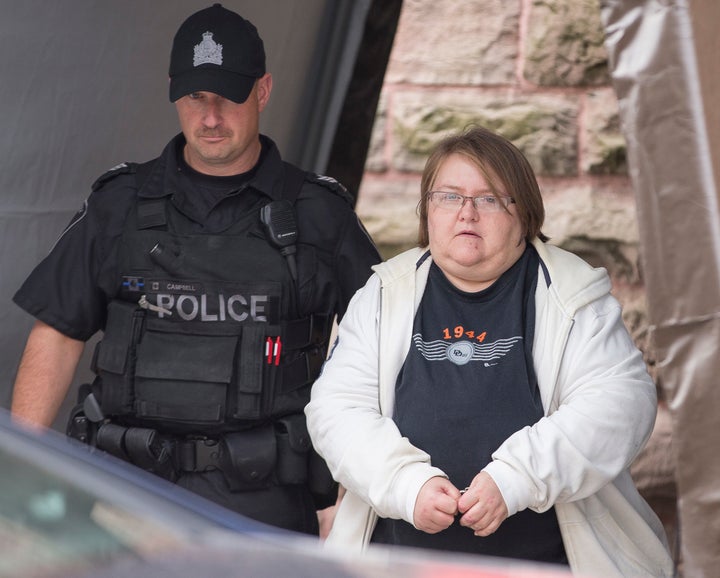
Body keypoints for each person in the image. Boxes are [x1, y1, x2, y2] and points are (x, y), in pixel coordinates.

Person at [11, 3, 380, 536]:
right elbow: (57, 333)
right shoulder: (119, 205)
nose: (210, 117)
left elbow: (384, 348)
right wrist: (21, 468)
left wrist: (354, 494)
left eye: (227, 96)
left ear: (263, 89)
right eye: (193, 97)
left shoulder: (320, 214)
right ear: (173, 90)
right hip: (120, 490)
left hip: (263, 501)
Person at [305, 126, 674, 575]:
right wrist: (406, 484)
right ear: (427, 212)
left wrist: (515, 479)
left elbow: (619, 405)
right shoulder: (384, 293)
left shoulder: (575, 297)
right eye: (449, 196)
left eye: (489, 199)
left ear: (525, 213)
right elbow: (336, 409)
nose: (467, 213)